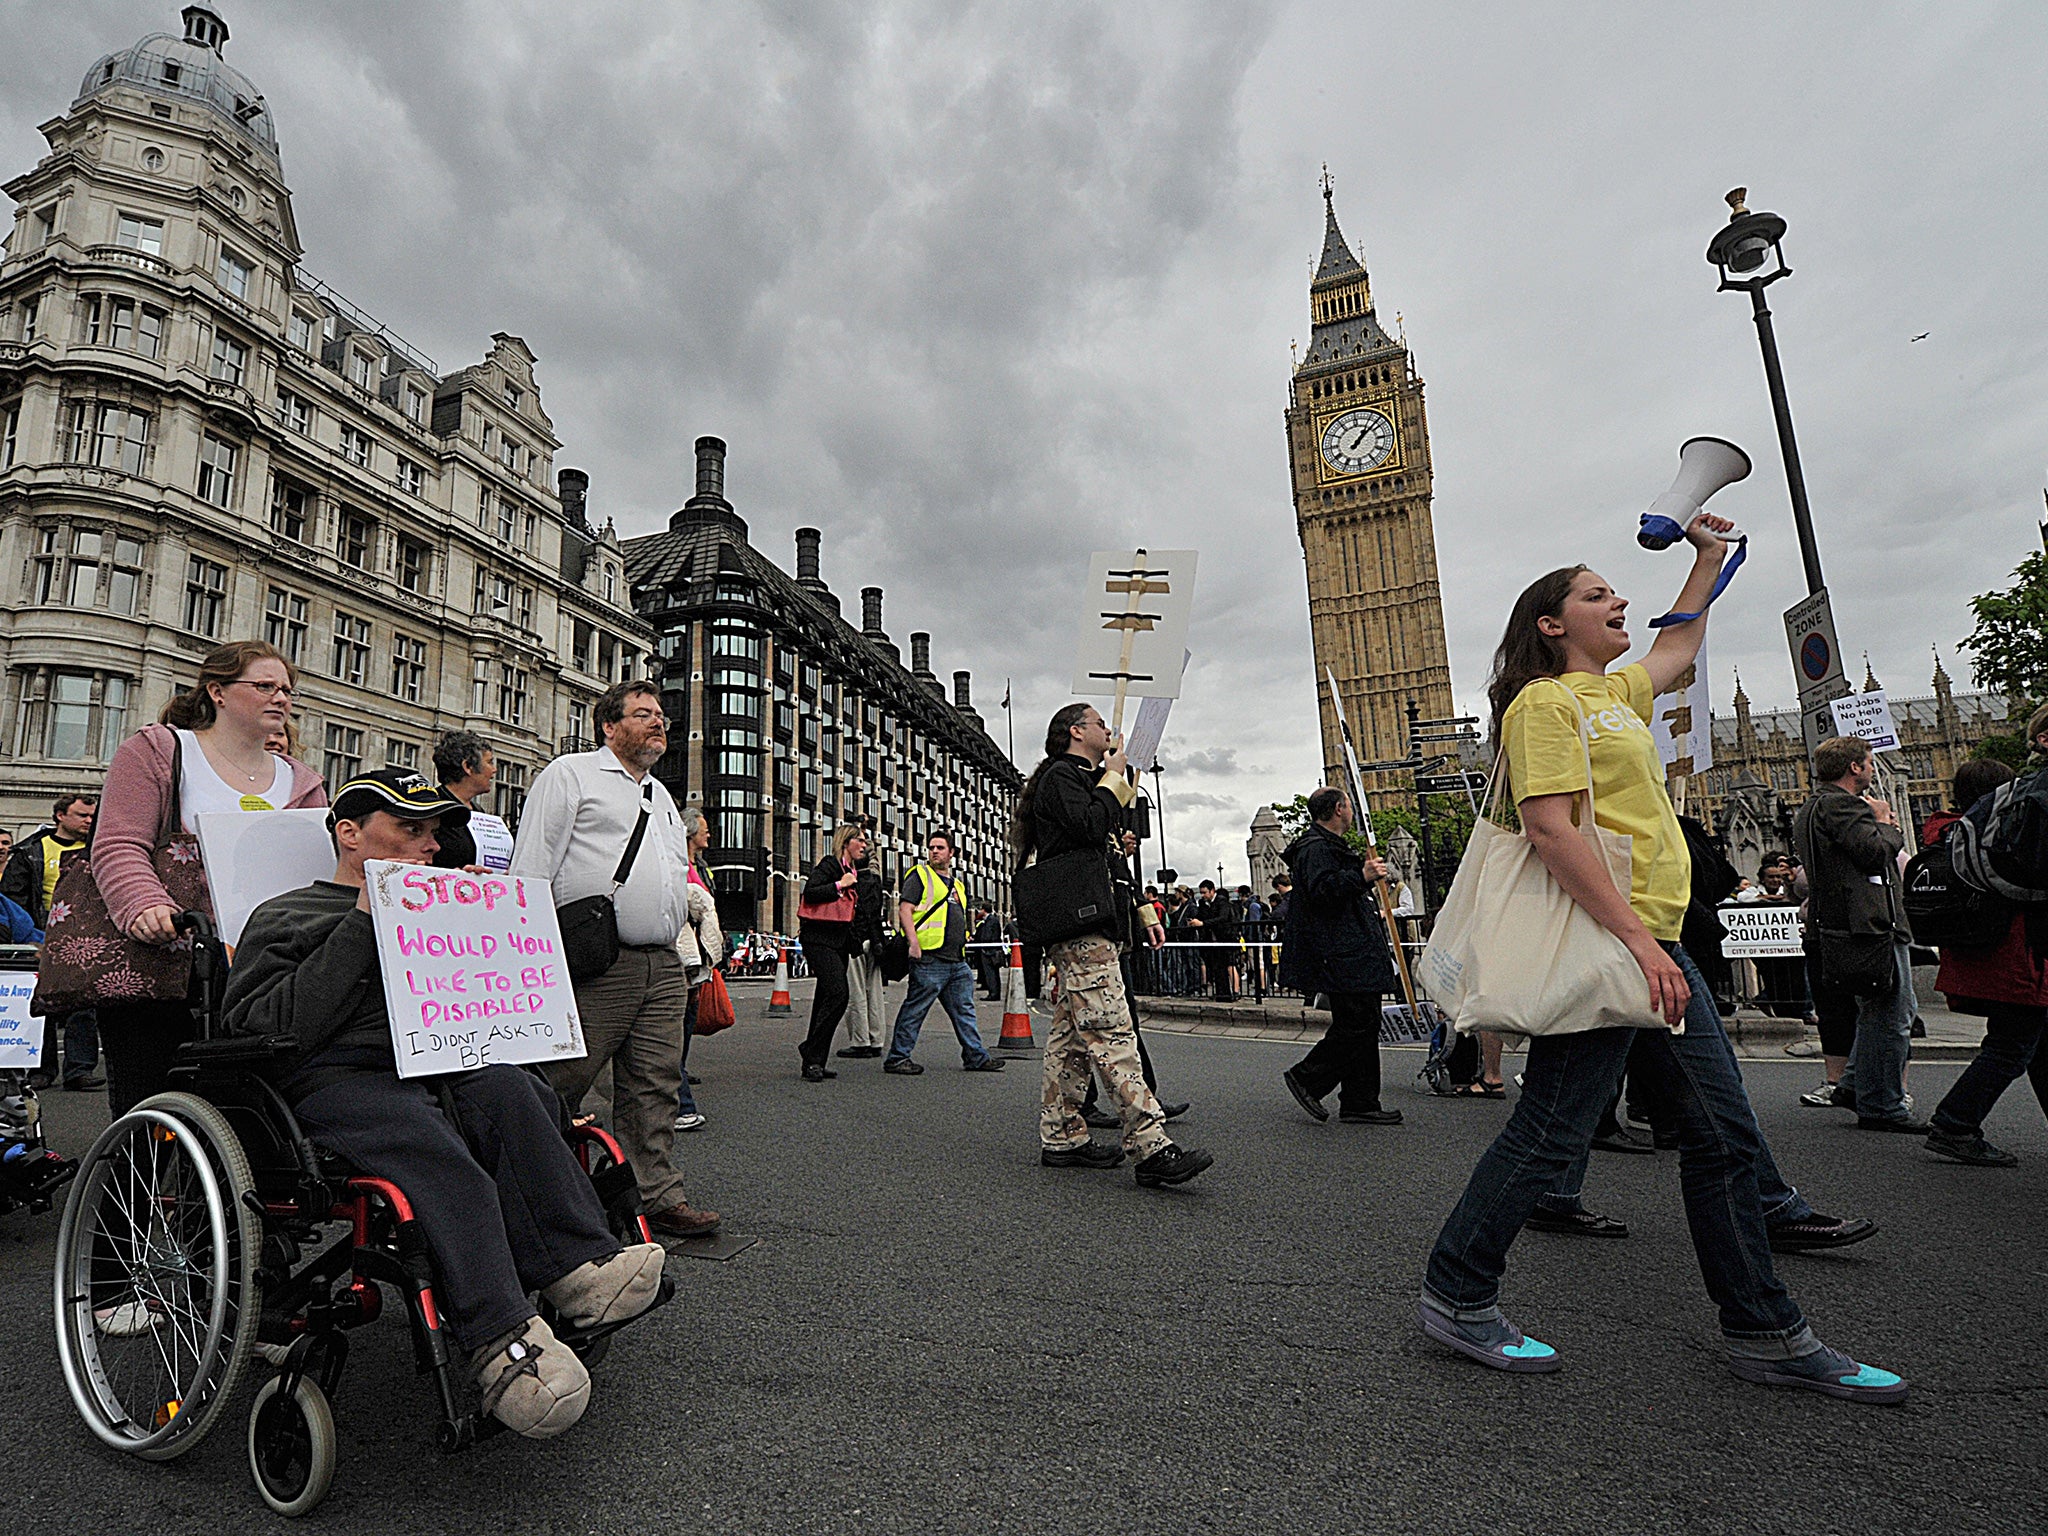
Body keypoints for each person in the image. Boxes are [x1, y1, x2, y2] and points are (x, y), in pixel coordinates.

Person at [1419, 521, 1905, 1403]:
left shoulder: (1614, 699)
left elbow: (1679, 642)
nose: (1621, 605)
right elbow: (1550, 828)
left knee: (1719, 1136)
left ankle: (1763, 1329)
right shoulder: (1544, 707)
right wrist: (1641, 941)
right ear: (1552, 623)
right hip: (1619, 939)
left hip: (1652, 938)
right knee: (1555, 1133)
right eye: (1599, 594)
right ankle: (1458, 1291)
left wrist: (1708, 559)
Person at [222, 768, 667, 1440]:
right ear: (349, 833)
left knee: (515, 1093)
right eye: (410, 830)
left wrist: (499, 939)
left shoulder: (447, 907)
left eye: (434, 833)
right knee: (427, 1144)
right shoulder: (288, 915)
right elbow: (265, 1030)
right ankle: (500, 1341)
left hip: (438, 1063)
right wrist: (367, 920)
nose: (430, 846)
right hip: (336, 1078)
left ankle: (580, 1271)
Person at [511, 680, 720, 1239]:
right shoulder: (571, 775)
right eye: (643, 714)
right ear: (608, 725)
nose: (659, 724)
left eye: (661, 717)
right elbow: (531, 868)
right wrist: (526, 959)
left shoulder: (661, 797)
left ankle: (655, 1195)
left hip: (662, 962)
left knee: (654, 1086)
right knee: (560, 1080)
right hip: (598, 958)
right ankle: (526, 1194)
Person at [93, 642, 325, 1117]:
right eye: (264, 686)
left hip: (262, 968)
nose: (280, 698)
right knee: (152, 1107)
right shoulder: (159, 750)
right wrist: (143, 906)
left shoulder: (303, 780)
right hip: (167, 966)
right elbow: (118, 843)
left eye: (286, 689)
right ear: (217, 691)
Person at [1014, 704, 1212, 1188]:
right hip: (1081, 929)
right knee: (1112, 1033)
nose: (1110, 730)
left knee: (1072, 1038)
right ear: (1077, 732)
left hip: (1091, 921)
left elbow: (1108, 857)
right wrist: (1114, 777)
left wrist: (1143, 912)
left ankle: (1061, 1137)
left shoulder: (1080, 778)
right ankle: (1150, 1145)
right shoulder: (1064, 775)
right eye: (1101, 724)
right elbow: (1087, 827)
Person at [1918, 758, 2048, 1165]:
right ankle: (1955, 1123)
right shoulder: (2009, 832)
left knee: (2033, 1044)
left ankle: (1956, 1123)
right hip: (2016, 955)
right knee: (2010, 1047)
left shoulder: (1949, 832)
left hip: (1982, 955)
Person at [1793, 736, 1923, 1132]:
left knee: (1874, 1013)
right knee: (1892, 1015)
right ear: (1855, 767)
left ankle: (1851, 1085)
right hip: (1867, 925)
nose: (1870, 769)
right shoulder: (1842, 805)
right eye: (1868, 762)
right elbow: (1873, 853)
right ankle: (1883, 1105)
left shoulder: (1813, 805)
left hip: (1847, 924)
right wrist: (1884, 823)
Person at [1278, 787, 1402, 1126]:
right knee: (1356, 1023)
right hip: (1341, 952)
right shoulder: (1315, 849)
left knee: (1364, 1022)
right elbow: (1323, 892)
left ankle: (1360, 1100)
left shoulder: (1328, 847)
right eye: (1347, 804)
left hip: (1351, 948)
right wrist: (1361, 876)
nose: (1350, 811)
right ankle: (1308, 1077)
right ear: (1338, 809)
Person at [884, 831, 1005, 1074]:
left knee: (964, 1010)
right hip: (930, 957)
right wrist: (914, 943)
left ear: (952, 853)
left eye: (940, 847)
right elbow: (905, 910)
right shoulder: (920, 875)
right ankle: (897, 1057)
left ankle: (975, 1056)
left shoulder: (958, 885)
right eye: (931, 847)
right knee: (915, 1009)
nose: (934, 851)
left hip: (956, 961)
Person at [3, 793, 101, 1090]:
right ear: (60, 815)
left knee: (84, 1007)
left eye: (91, 816)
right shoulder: (31, 851)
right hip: (40, 937)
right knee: (42, 1006)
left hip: (85, 935)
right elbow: (13, 899)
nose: (89, 821)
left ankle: (79, 1070)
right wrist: (30, 939)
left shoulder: (101, 848)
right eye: (82, 815)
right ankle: (41, 1070)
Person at [794, 824, 867, 1080]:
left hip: (840, 943)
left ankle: (814, 1062)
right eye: (860, 840)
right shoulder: (830, 864)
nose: (864, 845)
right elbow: (811, 893)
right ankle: (811, 1049)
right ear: (846, 842)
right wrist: (839, 884)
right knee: (838, 994)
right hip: (819, 940)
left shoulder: (854, 870)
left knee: (824, 1000)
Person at [673, 808, 723, 1133]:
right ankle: (681, 1102)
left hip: (700, 956)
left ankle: (679, 1073)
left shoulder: (702, 867)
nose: (708, 834)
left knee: (687, 1022)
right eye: (704, 829)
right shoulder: (677, 863)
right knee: (671, 1030)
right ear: (690, 832)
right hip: (681, 953)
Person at [835, 832, 890, 1060]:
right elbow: (874, 857)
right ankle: (876, 1039)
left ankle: (860, 1041)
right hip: (874, 940)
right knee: (874, 991)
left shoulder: (852, 878)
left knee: (856, 992)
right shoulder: (876, 878)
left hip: (856, 941)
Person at [430, 730, 498, 871]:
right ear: (468, 767)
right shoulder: (431, 808)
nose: (494, 770)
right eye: (489, 762)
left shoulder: (479, 811)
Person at [1186, 879, 1240, 1002]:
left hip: (1226, 938)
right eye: (1201, 893)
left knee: (1229, 965)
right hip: (1212, 940)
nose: (1203, 896)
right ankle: (1221, 993)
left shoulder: (1222, 902)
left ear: (1212, 891)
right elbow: (1201, 916)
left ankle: (1232, 992)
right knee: (1217, 967)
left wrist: (1203, 923)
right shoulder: (1204, 904)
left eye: (1205, 892)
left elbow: (1222, 918)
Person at [971, 905, 1006, 999]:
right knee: (992, 973)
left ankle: (993, 994)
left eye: (980, 909)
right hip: (990, 950)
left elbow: (987, 936)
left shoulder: (991, 920)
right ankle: (993, 993)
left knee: (991, 973)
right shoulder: (991, 920)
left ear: (984, 910)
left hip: (990, 951)